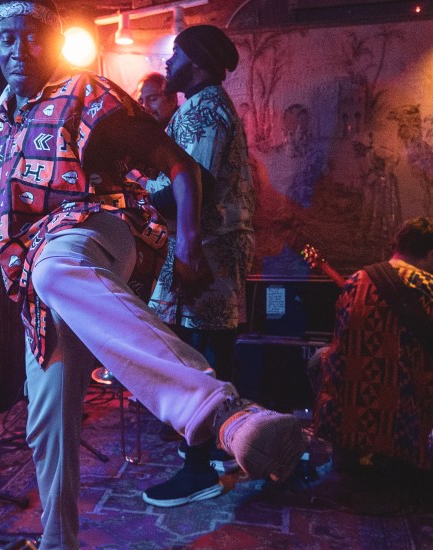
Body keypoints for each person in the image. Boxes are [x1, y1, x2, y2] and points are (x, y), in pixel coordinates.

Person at [0, 2, 304, 550]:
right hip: (38, 275)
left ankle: (222, 413)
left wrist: (188, 241)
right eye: (6, 39)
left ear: (51, 39)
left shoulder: (85, 93)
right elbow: (3, 211)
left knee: (55, 266)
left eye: (30, 36)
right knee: (47, 416)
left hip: (99, 230)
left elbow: (180, 166)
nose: (17, 50)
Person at [141, 25, 257, 509]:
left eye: (177, 55)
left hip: (207, 247)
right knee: (203, 350)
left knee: (198, 356)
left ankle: (199, 468)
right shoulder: (204, 106)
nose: (168, 63)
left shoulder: (205, 110)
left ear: (200, 65)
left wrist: (140, 191)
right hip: (210, 244)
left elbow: (194, 186)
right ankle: (211, 453)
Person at [313, 217, 433, 474]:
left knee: (317, 360)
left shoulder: (355, 281)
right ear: (431, 252)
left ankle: (348, 453)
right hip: (409, 408)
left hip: (354, 405)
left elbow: (339, 342)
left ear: (396, 244)